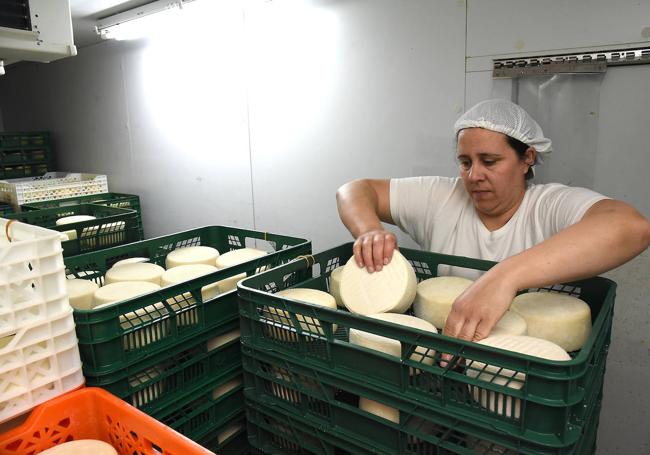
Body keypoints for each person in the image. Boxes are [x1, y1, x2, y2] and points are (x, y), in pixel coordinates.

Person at [336, 99, 650, 345]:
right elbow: (354, 190)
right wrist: (369, 230)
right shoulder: (442, 197)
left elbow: (632, 227)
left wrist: (505, 277)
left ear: (527, 158)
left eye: (489, 161)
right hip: (444, 356)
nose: (474, 176)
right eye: (464, 162)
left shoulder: (548, 205)